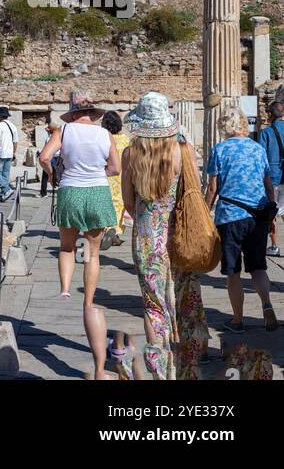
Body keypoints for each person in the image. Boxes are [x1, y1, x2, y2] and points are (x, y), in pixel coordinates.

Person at [38, 92, 119, 381]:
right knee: (93, 252)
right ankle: (90, 298)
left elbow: (44, 157)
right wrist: (99, 173)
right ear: (94, 114)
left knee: (66, 247)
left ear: (73, 113)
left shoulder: (64, 130)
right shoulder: (106, 134)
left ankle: (64, 289)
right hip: (97, 190)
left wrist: (53, 175)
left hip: (70, 190)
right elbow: (115, 168)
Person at [120, 92, 186, 380]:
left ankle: (160, 370)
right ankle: (181, 362)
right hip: (176, 236)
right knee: (178, 298)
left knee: (152, 304)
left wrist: (148, 217)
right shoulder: (178, 152)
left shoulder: (130, 154)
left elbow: (129, 202)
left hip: (147, 237)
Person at [204, 106, 278, 334]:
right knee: (257, 268)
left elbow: (213, 187)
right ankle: (266, 303)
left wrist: (205, 212)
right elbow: (268, 184)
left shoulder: (220, 150)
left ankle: (237, 320)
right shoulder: (257, 149)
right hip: (257, 215)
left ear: (224, 125)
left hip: (230, 217)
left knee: (233, 271)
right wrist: (271, 212)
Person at [255, 101, 284, 257]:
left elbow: (261, 157)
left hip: (271, 177)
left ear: (270, 114)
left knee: (271, 211)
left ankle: (274, 246)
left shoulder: (265, 133)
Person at [101, 111, 130, 249]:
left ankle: (108, 230)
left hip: (107, 175)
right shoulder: (125, 139)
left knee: (107, 204)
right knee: (120, 205)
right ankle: (115, 232)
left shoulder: (103, 138)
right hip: (122, 177)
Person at [0, 107, 19, 202]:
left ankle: (7, 190)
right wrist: (14, 152)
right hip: (10, 153)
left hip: (1, 153)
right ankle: (3, 195)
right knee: (5, 175)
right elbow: (15, 142)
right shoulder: (13, 126)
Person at [40, 122, 61, 198]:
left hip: (51, 157)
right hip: (58, 157)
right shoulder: (59, 137)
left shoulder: (48, 138)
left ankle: (43, 192)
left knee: (45, 176)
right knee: (59, 175)